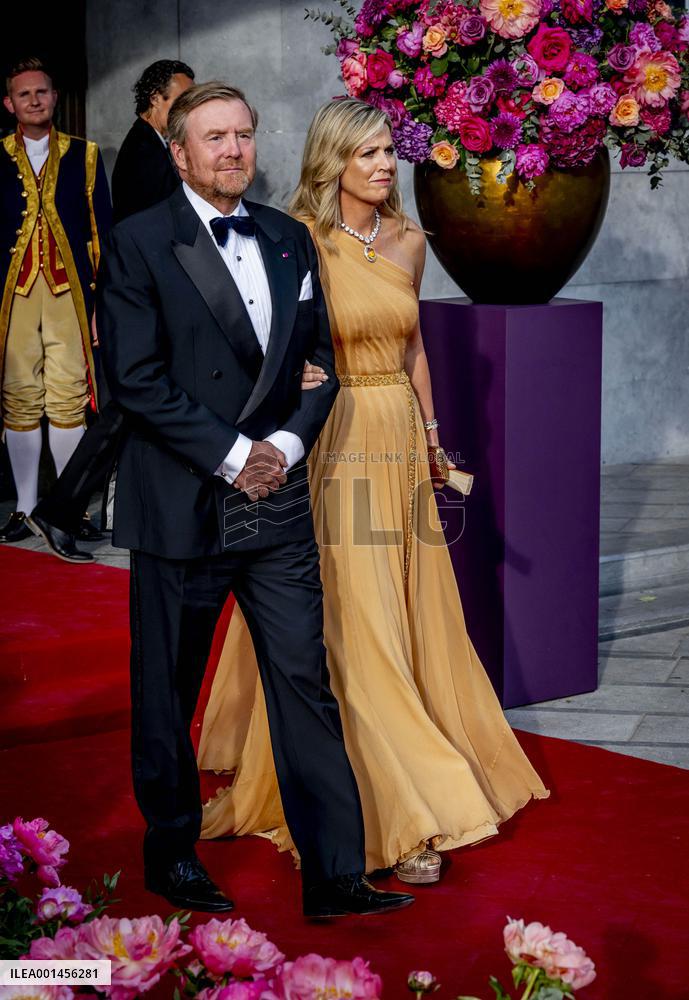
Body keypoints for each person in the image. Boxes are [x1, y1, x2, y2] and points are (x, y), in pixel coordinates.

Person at [199, 98, 549, 885]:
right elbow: (265, 339)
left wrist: (430, 438)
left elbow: (413, 343)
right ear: (331, 162)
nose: (384, 165)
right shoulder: (298, 241)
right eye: (365, 154)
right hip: (332, 440)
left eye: (389, 150)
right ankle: (396, 809)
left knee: (398, 600)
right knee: (355, 615)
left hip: (394, 436)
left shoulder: (410, 241)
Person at [97, 81, 414, 918]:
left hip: (275, 504)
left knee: (305, 683)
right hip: (184, 503)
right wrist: (238, 452)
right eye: (214, 138)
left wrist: (286, 445)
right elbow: (134, 380)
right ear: (179, 153)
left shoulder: (284, 237)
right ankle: (171, 853)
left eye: (243, 134)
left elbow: (321, 366)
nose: (233, 150)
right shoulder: (137, 241)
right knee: (168, 691)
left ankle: (336, 874)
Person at [28, 59, 195, 563]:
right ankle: (59, 509)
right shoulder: (145, 155)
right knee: (126, 410)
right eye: (181, 99)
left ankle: (79, 511)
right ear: (155, 101)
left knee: (135, 412)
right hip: (145, 304)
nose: (188, 107)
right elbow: (145, 239)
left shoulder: (155, 148)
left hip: (147, 302)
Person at [0, 57, 111, 544]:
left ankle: (66, 507)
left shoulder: (85, 154)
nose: (34, 100)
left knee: (69, 397)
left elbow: (101, 231)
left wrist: (102, 301)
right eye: (24, 95)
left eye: (41, 92)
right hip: (11, 293)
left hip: (70, 290)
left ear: (54, 97)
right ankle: (25, 508)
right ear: (10, 104)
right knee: (19, 397)